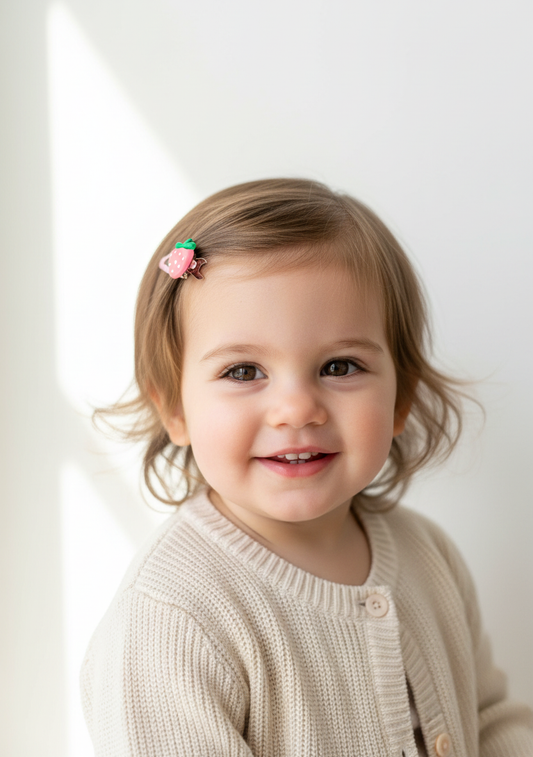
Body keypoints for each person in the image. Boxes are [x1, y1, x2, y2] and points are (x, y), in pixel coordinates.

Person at [81, 178, 533, 756]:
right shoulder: (171, 619)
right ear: (174, 408)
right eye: (243, 372)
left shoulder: (429, 555)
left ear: (400, 399)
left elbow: (489, 717)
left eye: (340, 366)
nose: (296, 408)